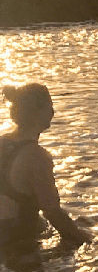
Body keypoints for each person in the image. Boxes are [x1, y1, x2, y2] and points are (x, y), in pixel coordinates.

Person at [0, 83, 92, 259]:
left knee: (41, 226)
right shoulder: (37, 157)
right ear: (37, 113)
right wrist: (87, 241)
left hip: (6, 230)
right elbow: (52, 212)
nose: (53, 112)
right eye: (49, 106)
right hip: (13, 239)